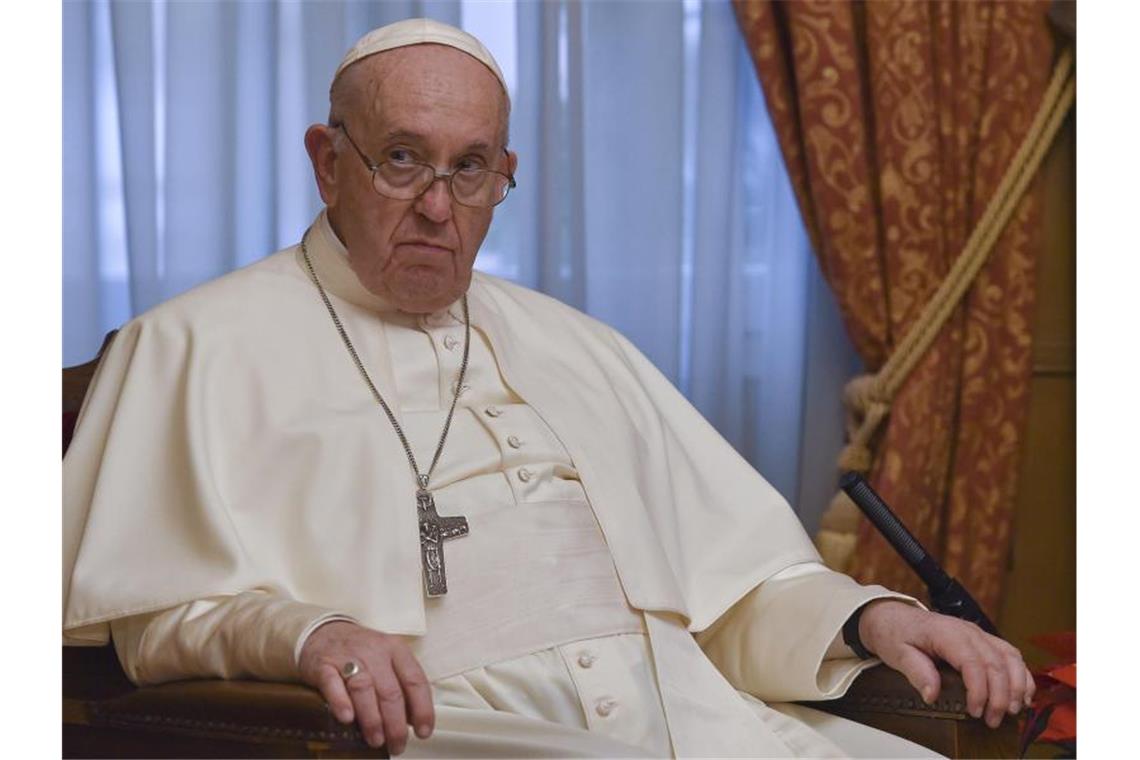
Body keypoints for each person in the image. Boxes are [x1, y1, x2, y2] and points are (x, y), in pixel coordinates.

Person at [63, 18, 1033, 758]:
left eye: (472, 169)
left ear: (504, 175)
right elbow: (158, 619)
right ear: (328, 161)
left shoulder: (579, 345)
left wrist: (867, 615)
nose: (439, 206)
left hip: (696, 721)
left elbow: (737, 591)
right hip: (460, 731)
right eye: (401, 158)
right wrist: (314, 632)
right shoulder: (192, 345)